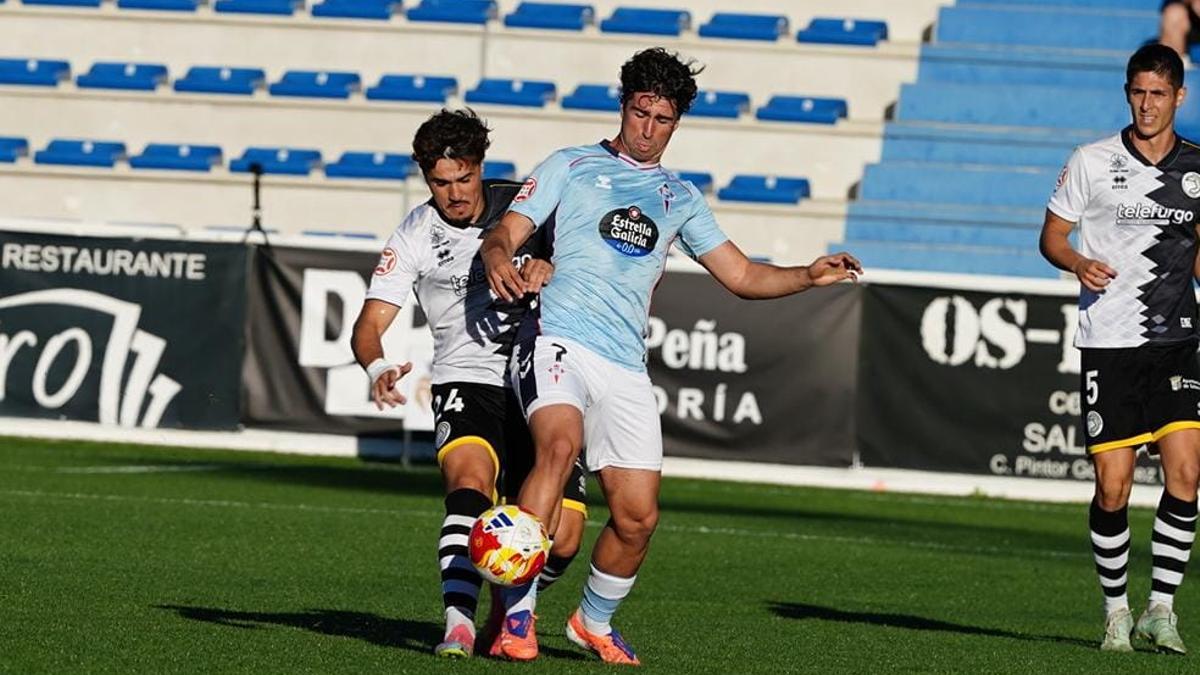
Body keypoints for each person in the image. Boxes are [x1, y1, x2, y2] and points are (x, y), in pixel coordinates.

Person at [479, 47, 862, 664]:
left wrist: (807, 276)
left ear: (677, 123)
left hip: (625, 365)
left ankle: (591, 621)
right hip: (557, 338)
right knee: (557, 446)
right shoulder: (570, 165)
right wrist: (500, 259)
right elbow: (505, 232)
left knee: (637, 520)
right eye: (640, 113)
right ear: (624, 106)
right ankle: (515, 616)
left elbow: (739, 275)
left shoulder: (679, 196)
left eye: (663, 120)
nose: (648, 130)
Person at [350, 108, 587, 659]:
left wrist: (551, 266)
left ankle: (505, 611)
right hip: (466, 377)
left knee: (566, 539)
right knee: (469, 484)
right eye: (440, 182)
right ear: (425, 178)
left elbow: (580, 257)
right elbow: (368, 326)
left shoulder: (522, 209)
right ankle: (457, 624)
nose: (455, 193)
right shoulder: (413, 233)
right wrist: (376, 366)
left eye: (465, 178)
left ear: (480, 168)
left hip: (541, 377)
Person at [1040, 43, 1200, 654]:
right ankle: (1115, 614)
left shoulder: (1196, 167)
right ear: (1127, 92)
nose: (1147, 104)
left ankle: (1161, 608)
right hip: (1110, 341)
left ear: (1179, 97)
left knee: (1186, 471)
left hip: (1176, 338)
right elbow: (1051, 236)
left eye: (1159, 93)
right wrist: (1078, 260)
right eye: (1138, 92)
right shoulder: (1091, 160)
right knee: (1114, 488)